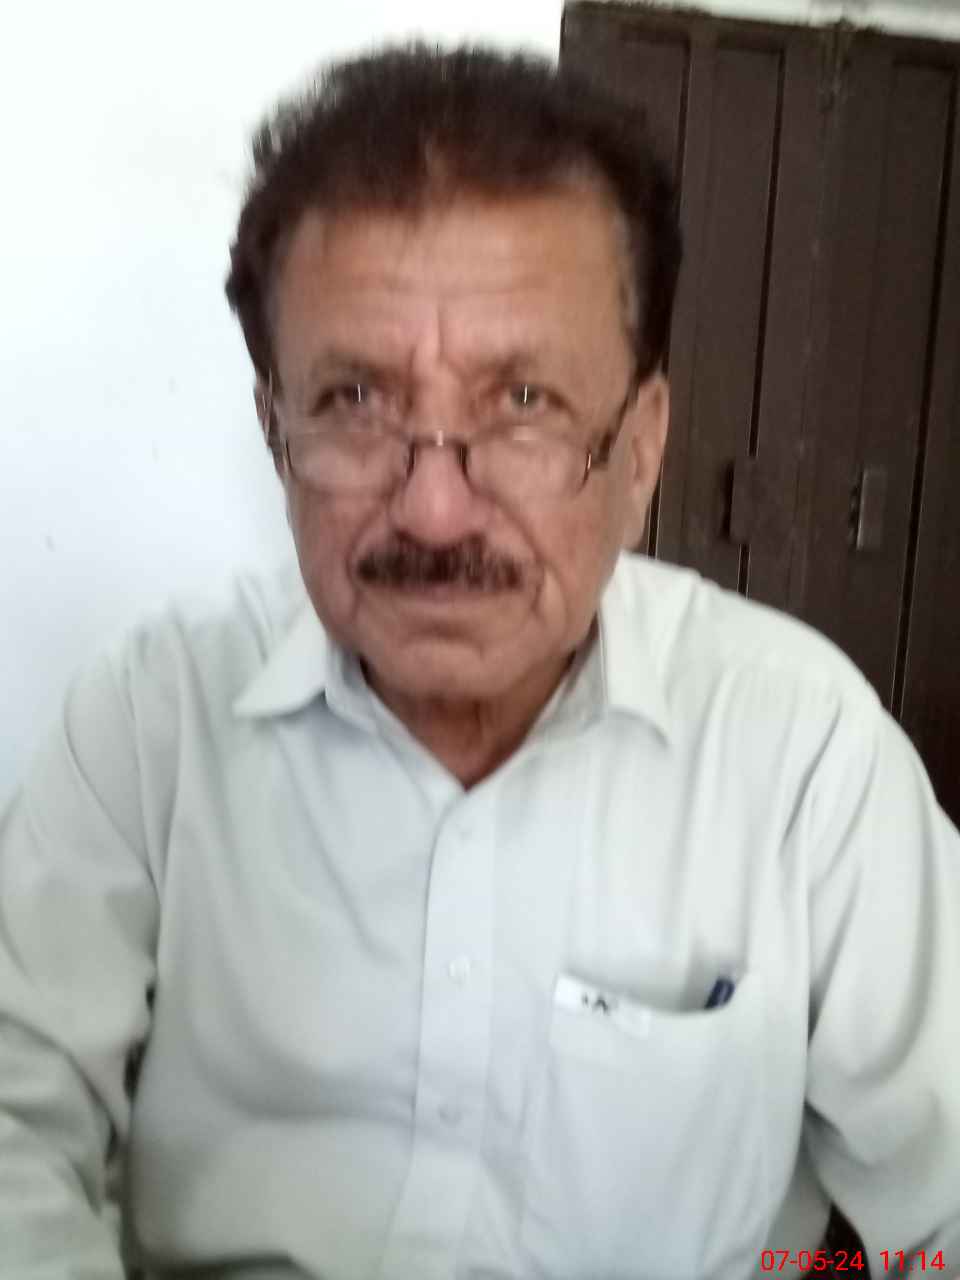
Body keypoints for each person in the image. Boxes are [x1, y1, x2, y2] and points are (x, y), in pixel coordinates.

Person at [1, 41, 958, 1280]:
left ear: (641, 450)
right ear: (275, 429)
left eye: (524, 403)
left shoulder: (802, 751)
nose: (435, 509)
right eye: (355, 400)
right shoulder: (150, 720)